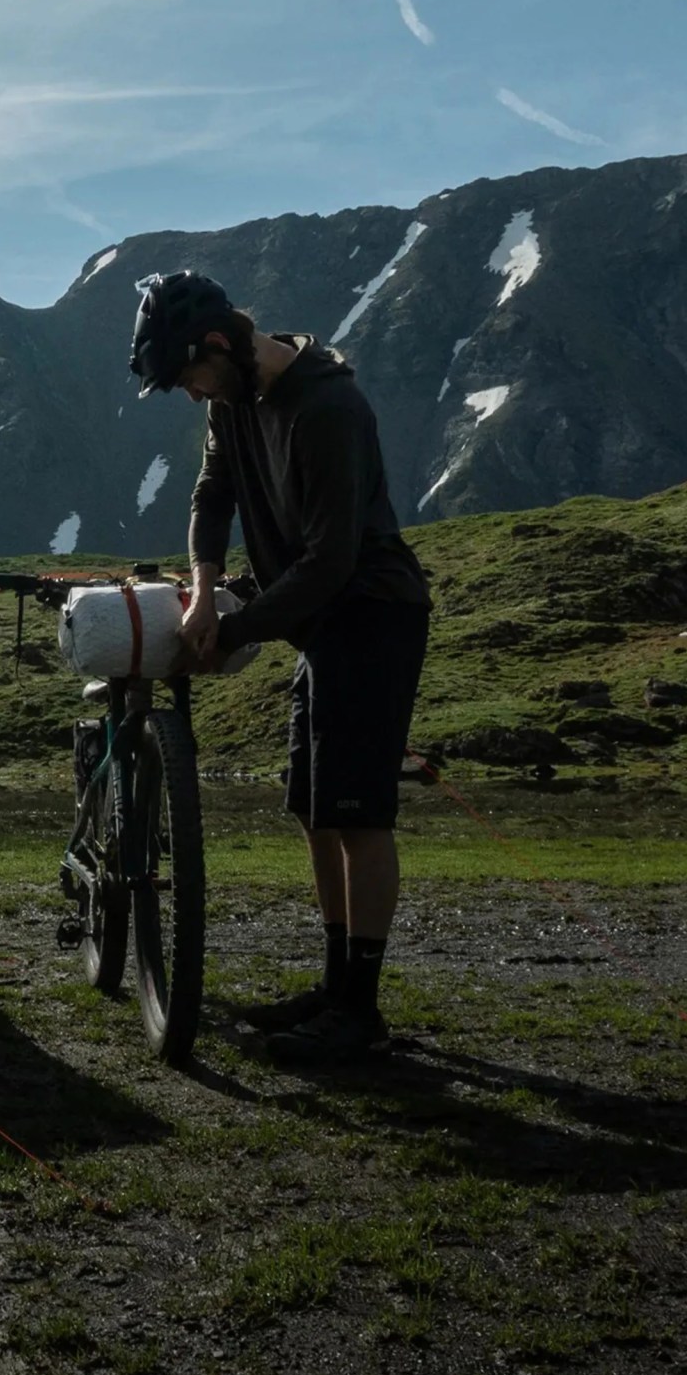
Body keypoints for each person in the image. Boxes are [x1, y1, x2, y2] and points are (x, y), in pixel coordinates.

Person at [130, 270, 431, 1063]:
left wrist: (231, 635)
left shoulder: (327, 410)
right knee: (314, 807)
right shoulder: (234, 401)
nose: (194, 396)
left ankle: (358, 1012)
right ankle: (335, 988)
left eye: (191, 377)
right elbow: (211, 493)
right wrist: (201, 592)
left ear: (221, 345)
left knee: (359, 816)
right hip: (321, 627)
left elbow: (331, 562)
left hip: (370, 615)